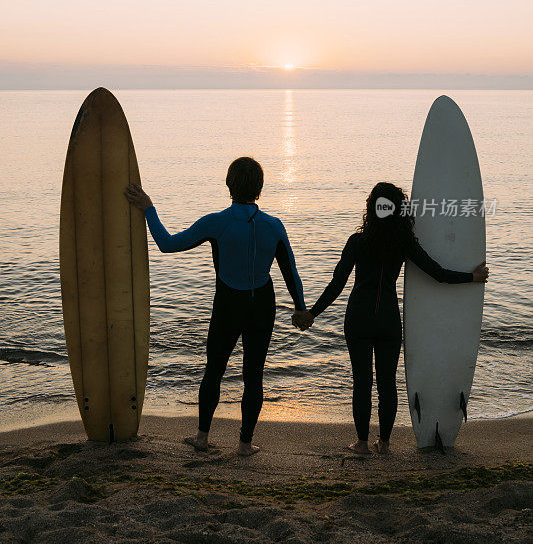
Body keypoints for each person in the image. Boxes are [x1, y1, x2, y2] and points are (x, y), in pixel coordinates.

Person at [124, 157, 305, 457]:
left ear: (228, 185)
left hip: (228, 304)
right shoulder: (274, 226)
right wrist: (300, 308)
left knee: (215, 370)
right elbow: (290, 272)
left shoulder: (216, 222)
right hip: (262, 304)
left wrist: (148, 209)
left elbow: (167, 244)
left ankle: (202, 438)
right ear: (259, 188)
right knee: (254, 374)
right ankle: (245, 444)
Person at [292, 182, 489, 455]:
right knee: (386, 382)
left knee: (362, 381)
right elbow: (438, 273)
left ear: (371, 209)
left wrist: (312, 313)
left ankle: (361, 443)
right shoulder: (403, 244)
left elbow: (336, 285)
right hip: (387, 320)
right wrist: (471, 277)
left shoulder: (357, 242)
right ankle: (383, 443)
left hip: (358, 318)